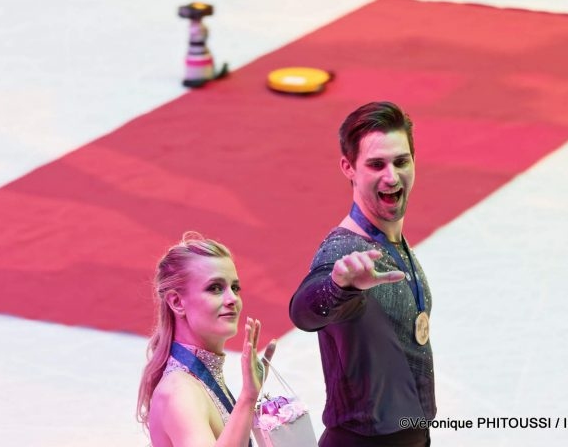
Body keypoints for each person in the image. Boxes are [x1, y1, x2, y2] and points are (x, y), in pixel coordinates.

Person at [290, 101, 435, 446]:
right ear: (348, 167)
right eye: (375, 164)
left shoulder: (392, 241)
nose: (391, 175)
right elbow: (303, 311)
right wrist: (338, 286)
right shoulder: (343, 251)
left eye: (401, 161)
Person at [137, 232, 276, 447]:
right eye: (215, 288)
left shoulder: (199, 377)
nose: (233, 299)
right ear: (177, 302)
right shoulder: (178, 391)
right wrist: (248, 397)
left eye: (235, 287)